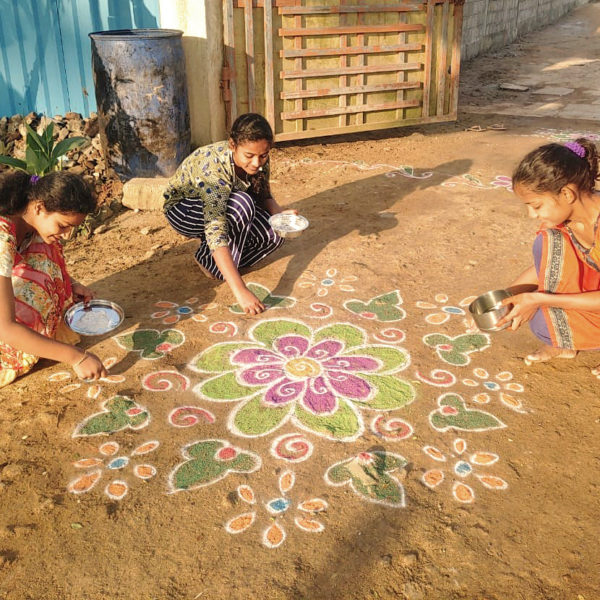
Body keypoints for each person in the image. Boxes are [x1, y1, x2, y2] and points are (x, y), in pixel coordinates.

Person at [163, 113, 296, 315]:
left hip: (225, 206)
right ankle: (209, 262)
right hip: (184, 211)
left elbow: (264, 194)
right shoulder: (214, 168)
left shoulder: (259, 157)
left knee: (275, 234)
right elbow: (215, 229)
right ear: (232, 145)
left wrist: (280, 218)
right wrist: (240, 290)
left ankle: (224, 261)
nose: (257, 163)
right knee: (242, 204)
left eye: (264, 155)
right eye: (249, 156)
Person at [496, 138, 600, 375]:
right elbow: (546, 268)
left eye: (536, 205)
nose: (531, 214)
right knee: (544, 321)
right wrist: (503, 299)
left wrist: (540, 299)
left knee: (541, 305)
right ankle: (566, 346)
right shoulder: (567, 222)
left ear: (566, 193)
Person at [0, 170, 108, 387]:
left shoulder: (29, 218)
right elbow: (5, 327)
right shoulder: (2, 237)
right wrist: (77, 357)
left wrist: (71, 284)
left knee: (48, 245)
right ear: (39, 207)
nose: (67, 235)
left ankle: (39, 336)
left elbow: (42, 262)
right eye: (63, 225)